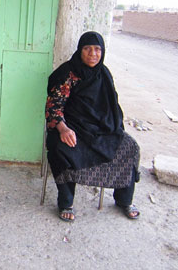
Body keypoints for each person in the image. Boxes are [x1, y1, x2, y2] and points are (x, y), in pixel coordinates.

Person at [45, 31, 140, 222]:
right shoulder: (67, 74)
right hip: (72, 126)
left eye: (97, 49)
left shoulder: (104, 74)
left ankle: (124, 200)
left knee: (130, 147)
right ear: (80, 50)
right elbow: (54, 106)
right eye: (87, 49)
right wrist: (63, 128)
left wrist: (115, 127)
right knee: (61, 149)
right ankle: (66, 202)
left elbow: (112, 105)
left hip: (101, 128)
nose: (92, 54)